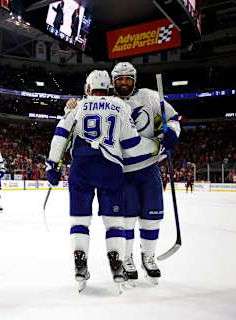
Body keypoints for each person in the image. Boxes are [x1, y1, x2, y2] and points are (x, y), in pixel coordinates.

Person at [45, 70, 163, 293]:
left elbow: (60, 133)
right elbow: (131, 144)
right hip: (110, 169)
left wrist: (52, 164)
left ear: (88, 88)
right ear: (109, 88)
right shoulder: (120, 106)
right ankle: (117, 262)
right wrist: (156, 145)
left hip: (81, 169)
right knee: (114, 223)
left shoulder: (78, 106)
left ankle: (80, 262)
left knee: (79, 221)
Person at [111, 62, 181, 284]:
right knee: (127, 219)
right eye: (119, 79)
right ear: (113, 82)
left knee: (152, 218)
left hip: (149, 168)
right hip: (122, 171)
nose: (124, 82)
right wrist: (70, 106)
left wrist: (172, 133)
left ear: (134, 79)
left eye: (127, 78)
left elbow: (172, 119)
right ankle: (128, 258)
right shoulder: (109, 104)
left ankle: (148, 257)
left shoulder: (150, 98)